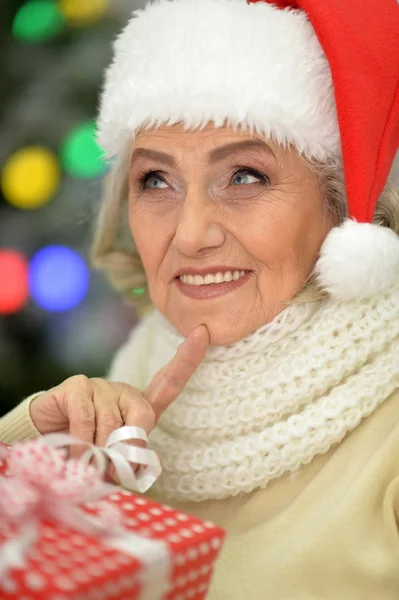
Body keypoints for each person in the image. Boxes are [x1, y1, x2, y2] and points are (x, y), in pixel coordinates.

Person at [1, 0, 399, 596]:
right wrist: (31, 451)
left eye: (245, 176)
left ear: (342, 205)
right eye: (155, 180)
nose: (189, 234)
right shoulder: (133, 372)